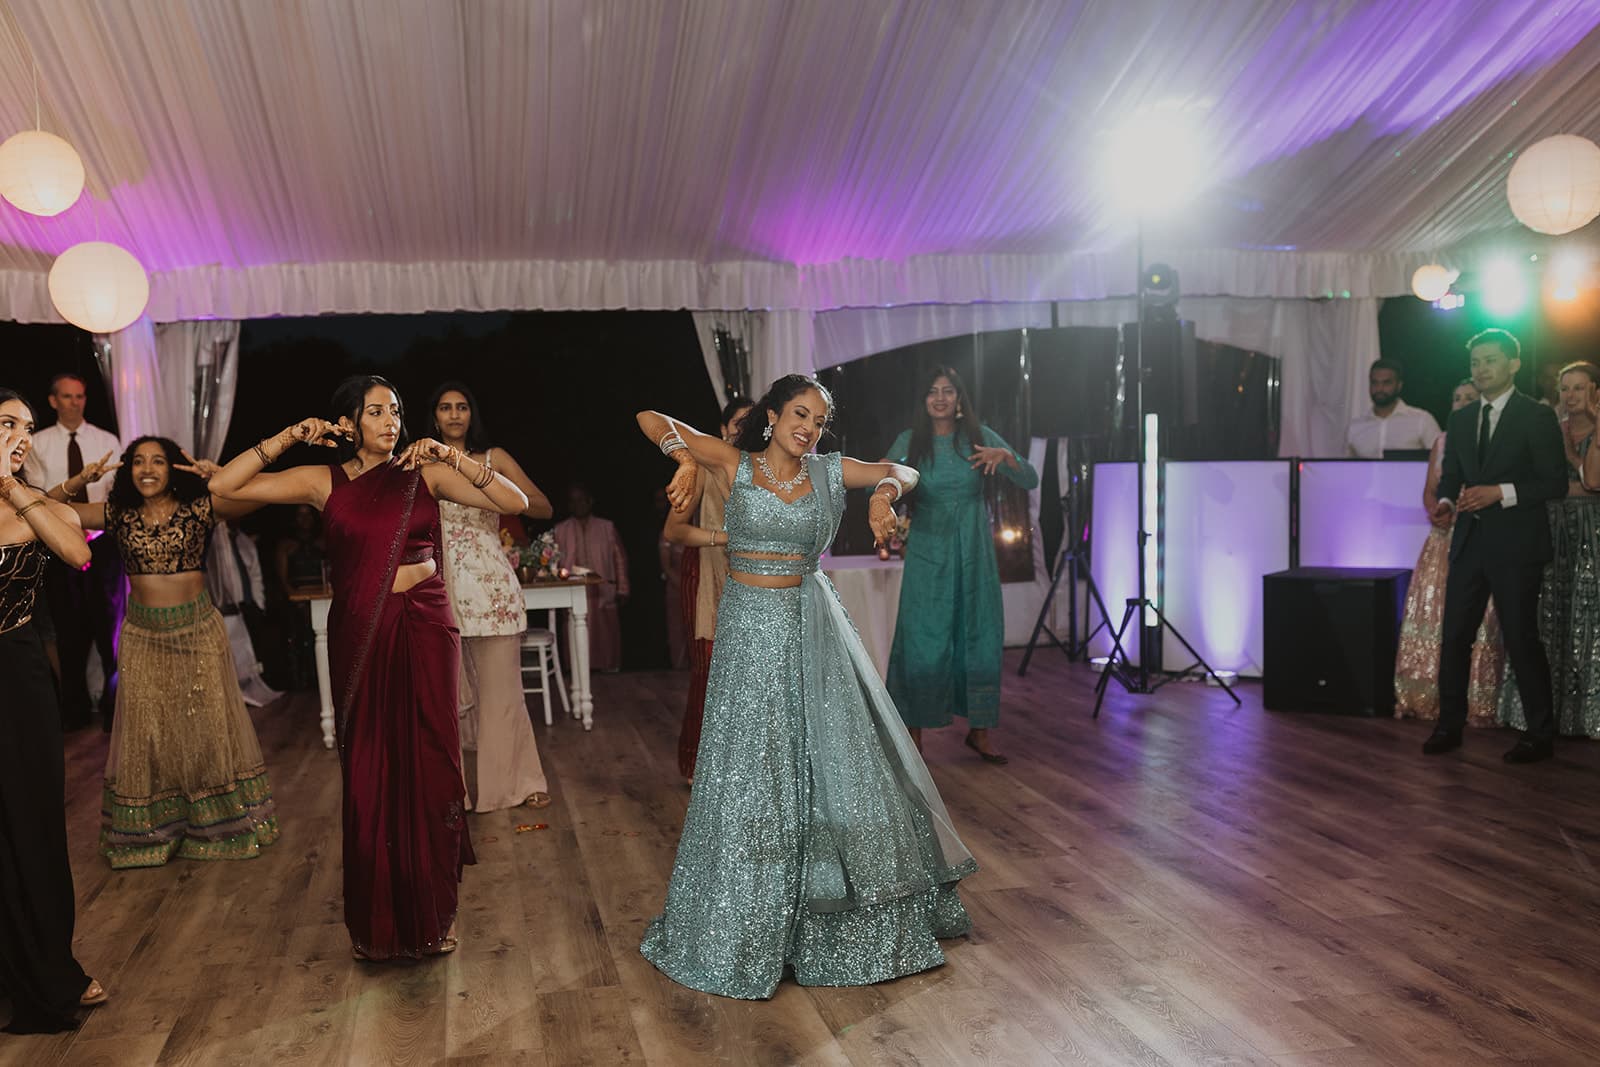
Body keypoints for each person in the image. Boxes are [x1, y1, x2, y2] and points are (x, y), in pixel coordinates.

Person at [636, 374, 975, 1000]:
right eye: (798, 414)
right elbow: (649, 414)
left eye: (817, 420)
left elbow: (903, 468)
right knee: (753, 773)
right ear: (771, 415)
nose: (808, 428)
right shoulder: (733, 462)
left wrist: (884, 495)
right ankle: (745, 922)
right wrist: (681, 454)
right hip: (748, 634)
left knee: (831, 762)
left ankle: (824, 926)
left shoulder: (825, 472)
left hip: (812, 627)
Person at [206, 375, 528, 960]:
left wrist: (449, 453)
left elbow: (516, 502)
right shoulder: (319, 481)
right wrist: (289, 436)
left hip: (428, 627)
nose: (390, 421)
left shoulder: (423, 473)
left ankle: (433, 913)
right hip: (361, 633)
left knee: (431, 764)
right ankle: (376, 922)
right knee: (371, 770)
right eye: (375, 411)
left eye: (397, 411)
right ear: (348, 422)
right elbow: (220, 491)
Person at [50, 436, 280, 868]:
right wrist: (80, 480)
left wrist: (220, 478)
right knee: (149, 734)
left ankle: (214, 825)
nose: (147, 468)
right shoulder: (116, 514)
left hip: (196, 631)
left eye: (158, 460)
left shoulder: (202, 509)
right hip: (142, 636)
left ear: (174, 468)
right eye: (137, 461)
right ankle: (153, 832)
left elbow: (258, 496)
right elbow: (48, 509)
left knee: (205, 729)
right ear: (127, 471)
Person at [0, 387, 107, 1032]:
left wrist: (11, 488)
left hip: (16, 680)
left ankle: (47, 968)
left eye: (25, 427)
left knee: (32, 824)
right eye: (7, 423)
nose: (20, 434)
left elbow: (78, 553)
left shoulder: (33, 502)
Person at [1425, 329, 1568, 762]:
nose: (1481, 369)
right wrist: (1447, 502)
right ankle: (1449, 725)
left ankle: (1539, 735)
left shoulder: (1536, 416)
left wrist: (1499, 492)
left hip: (1517, 545)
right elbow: (1451, 476)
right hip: (1469, 542)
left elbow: (1554, 482)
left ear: (1513, 364)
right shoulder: (1463, 418)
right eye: (1475, 363)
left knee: (1521, 640)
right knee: (1454, 637)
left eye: (1489, 361)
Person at [883, 366, 1038, 764]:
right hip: (927, 553)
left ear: (959, 399)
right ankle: (913, 736)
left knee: (978, 636)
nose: (940, 398)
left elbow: (1031, 478)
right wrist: (886, 485)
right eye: (932, 391)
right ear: (923, 400)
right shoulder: (909, 441)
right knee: (921, 640)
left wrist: (1005, 457)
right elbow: (878, 480)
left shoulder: (978, 437)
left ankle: (980, 732)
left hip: (973, 551)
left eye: (948, 391)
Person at [427, 381, 555, 812]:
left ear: (471, 414)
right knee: (443, 699)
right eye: (445, 408)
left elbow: (540, 505)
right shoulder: (422, 461)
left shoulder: (491, 458)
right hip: (438, 589)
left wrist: (495, 487)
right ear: (434, 416)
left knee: (503, 694)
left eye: (462, 406)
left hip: (491, 588)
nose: (454, 415)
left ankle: (517, 784)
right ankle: (450, 794)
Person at [1393, 380, 1504, 724]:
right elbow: (1430, 489)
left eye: (1470, 398)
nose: (1462, 403)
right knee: (1436, 614)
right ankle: (1425, 696)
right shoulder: (1442, 441)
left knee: (1480, 618)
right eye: (1457, 398)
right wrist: (1436, 510)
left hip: (1480, 536)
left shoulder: (1493, 441)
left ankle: (1478, 702)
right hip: (1443, 539)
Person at [1500, 361, 1600, 739]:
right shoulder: (1547, 428)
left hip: (1592, 534)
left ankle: (1588, 713)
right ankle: (1544, 714)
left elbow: (1593, 482)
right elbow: (1536, 481)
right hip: (1549, 530)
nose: (1571, 396)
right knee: (1547, 615)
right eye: (1565, 388)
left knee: (1588, 618)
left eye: (1579, 387)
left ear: (1594, 391)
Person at [21, 372, 123, 729]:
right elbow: (38, 500)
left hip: (103, 546)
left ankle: (115, 711)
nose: (74, 402)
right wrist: (79, 482)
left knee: (110, 629)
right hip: (57, 547)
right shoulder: (37, 444)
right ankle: (74, 711)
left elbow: (118, 498)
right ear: (53, 401)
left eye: (80, 396)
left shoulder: (107, 440)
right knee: (67, 631)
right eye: (67, 396)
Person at [660, 397, 753, 782]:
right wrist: (723, 538)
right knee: (709, 670)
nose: (741, 431)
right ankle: (697, 766)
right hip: (707, 575)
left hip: (753, 582)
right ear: (722, 429)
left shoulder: (763, 471)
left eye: (750, 424)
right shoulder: (702, 468)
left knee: (748, 674)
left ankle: (744, 766)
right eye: (736, 423)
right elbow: (673, 531)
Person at [553, 483, 629, 671]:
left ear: (590, 502)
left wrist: (623, 588)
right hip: (573, 589)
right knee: (575, 629)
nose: (577, 505)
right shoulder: (560, 529)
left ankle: (608, 670)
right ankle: (577, 670)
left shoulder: (606, 527)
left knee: (605, 633)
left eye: (581, 500)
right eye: (573, 501)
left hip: (602, 589)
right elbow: (553, 564)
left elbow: (619, 559)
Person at [207, 518, 283, 707]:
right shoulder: (216, 540)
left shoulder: (245, 541)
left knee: (252, 653)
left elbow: (255, 574)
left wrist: (259, 604)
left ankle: (252, 689)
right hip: (227, 604)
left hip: (249, 605)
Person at [1346, 359, 1442, 459]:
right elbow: (1345, 469)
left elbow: (1440, 461)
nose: (1380, 388)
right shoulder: (1355, 427)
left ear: (1399, 386)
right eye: (1374, 383)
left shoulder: (1422, 420)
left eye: (1386, 383)